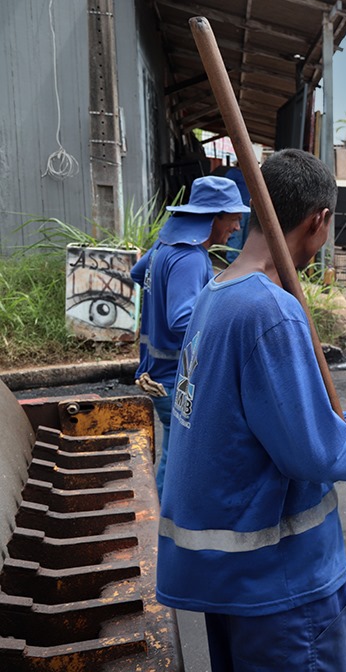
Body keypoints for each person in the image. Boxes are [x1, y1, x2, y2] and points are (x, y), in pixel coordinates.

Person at [156, 149, 346, 671]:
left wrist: (341, 421)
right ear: (319, 221)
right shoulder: (270, 310)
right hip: (283, 591)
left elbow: (250, 425)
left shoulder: (215, 293)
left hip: (232, 585)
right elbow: (314, 458)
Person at [131, 176, 247, 497]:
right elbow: (182, 319)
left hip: (154, 373)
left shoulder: (165, 246)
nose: (237, 227)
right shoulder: (190, 258)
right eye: (234, 218)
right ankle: (158, 528)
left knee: (176, 455)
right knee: (177, 462)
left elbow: (137, 273)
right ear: (213, 217)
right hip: (173, 380)